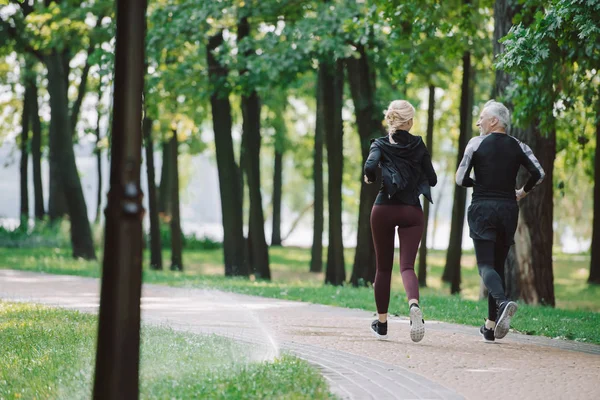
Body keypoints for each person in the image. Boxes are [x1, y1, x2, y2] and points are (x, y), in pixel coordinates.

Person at [455, 100, 545, 342]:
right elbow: (539, 173)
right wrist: (521, 192)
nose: (478, 122)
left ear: (494, 121)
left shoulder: (476, 143)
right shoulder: (519, 145)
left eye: (482, 118)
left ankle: (503, 303)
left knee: (485, 266)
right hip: (508, 210)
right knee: (497, 266)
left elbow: (460, 178)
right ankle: (491, 325)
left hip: (483, 208)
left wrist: (478, 184)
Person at [364, 100, 437, 342]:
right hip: (411, 212)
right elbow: (433, 179)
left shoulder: (380, 144)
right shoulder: (418, 144)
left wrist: (370, 176)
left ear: (390, 120)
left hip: (383, 208)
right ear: (410, 122)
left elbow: (371, 164)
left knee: (383, 268)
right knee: (407, 267)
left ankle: (382, 323)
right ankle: (413, 305)